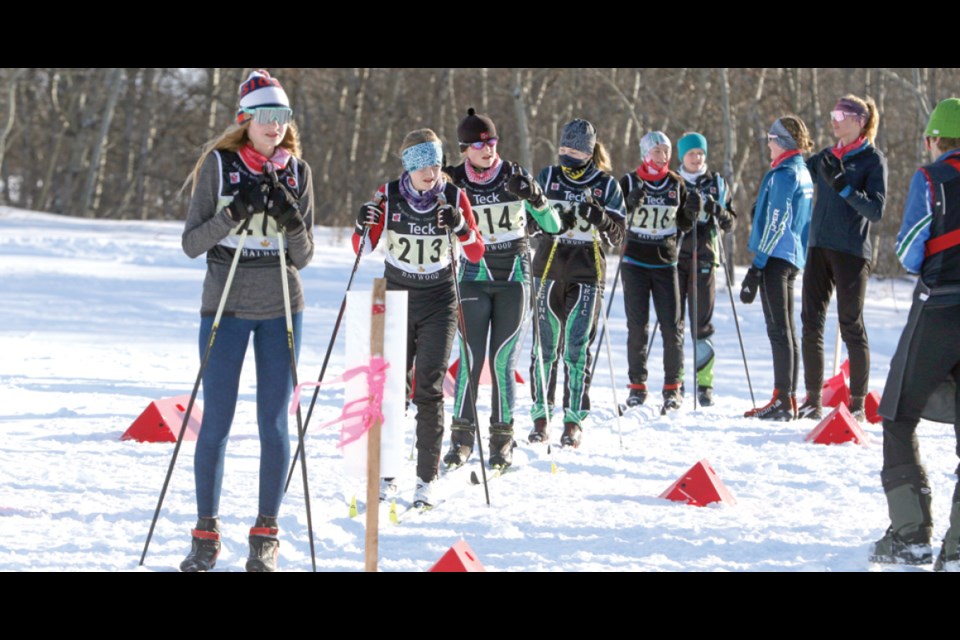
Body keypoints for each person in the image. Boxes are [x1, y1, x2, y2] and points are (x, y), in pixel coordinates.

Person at [179, 70, 314, 572]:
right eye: (266, 116)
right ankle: (205, 534)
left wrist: (290, 217)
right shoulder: (219, 164)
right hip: (226, 305)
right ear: (246, 119)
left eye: (283, 116)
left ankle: (265, 534)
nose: (275, 125)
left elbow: (304, 255)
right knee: (216, 420)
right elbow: (192, 244)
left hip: (281, 303)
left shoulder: (297, 171)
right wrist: (235, 213)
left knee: (274, 422)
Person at [353, 129, 484, 507]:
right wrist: (363, 223)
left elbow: (476, 252)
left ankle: (426, 479)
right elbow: (362, 247)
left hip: (439, 299)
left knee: (428, 388)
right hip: (396, 296)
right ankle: (387, 474)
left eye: (437, 163)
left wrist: (459, 226)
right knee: (392, 388)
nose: (432, 172)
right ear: (409, 167)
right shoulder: (388, 194)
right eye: (423, 165)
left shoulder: (454, 196)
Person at [441, 109, 560, 470]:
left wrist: (537, 198)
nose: (488, 149)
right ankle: (461, 439)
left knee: (503, 360)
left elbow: (553, 225)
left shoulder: (514, 175)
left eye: (492, 141)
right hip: (474, 276)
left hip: (513, 278)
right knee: (471, 360)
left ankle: (502, 439)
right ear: (464, 149)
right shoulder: (453, 181)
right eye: (479, 144)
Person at [870, 98, 960, 572]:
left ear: (934, 140)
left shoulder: (931, 178)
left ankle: (910, 536)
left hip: (939, 308)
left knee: (898, 415)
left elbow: (908, 250)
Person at [528, 119, 625, 448]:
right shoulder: (548, 177)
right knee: (544, 349)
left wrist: (601, 218)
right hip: (549, 269)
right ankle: (540, 418)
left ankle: (573, 421)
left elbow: (618, 237)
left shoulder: (605, 184)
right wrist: (548, 219)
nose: (567, 156)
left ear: (589, 152)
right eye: (563, 149)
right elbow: (528, 222)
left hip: (586, 272)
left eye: (574, 150)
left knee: (576, 348)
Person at [799, 95, 887, 421]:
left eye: (841, 114)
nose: (833, 119)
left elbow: (876, 211)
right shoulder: (826, 156)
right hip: (818, 246)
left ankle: (858, 405)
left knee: (850, 325)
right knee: (811, 323)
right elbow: (797, 176)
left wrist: (845, 188)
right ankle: (812, 400)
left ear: (859, 121)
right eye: (833, 112)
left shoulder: (872, 160)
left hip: (851, 251)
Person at [740, 116, 814, 421]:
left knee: (779, 330)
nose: (767, 143)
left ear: (781, 141)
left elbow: (777, 221)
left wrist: (757, 266)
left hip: (776, 258)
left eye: (771, 137)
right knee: (786, 330)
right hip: (791, 255)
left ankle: (782, 399)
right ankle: (787, 397)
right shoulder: (800, 170)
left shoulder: (786, 173)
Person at [619, 131, 696, 412]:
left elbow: (683, 224)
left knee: (672, 327)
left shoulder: (676, 183)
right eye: (656, 151)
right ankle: (637, 387)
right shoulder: (629, 181)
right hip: (635, 262)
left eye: (666, 151)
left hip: (666, 261)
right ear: (645, 153)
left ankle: (672, 388)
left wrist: (691, 213)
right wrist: (630, 204)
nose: (662, 157)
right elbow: (616, 219)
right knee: (637, 327)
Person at [675, 132, 736, 407]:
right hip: (675, 256)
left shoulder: (717, 183)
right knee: (674, 322)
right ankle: (675, 381)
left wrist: (715, 209)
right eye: (691, 154)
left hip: (705, 257)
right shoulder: (673, 182)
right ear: (682, 156)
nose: (696, 158)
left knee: (702, 323)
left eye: (700, 153)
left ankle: (705, 383)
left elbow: (730, 222)